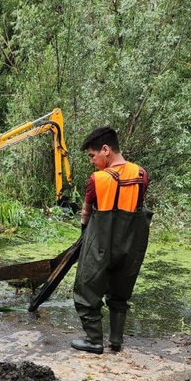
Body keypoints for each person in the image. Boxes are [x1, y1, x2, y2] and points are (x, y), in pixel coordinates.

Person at [71, 126, 151, 355]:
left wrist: (84, 235)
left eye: (92, 155)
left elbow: (86, 212)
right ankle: (116, 339)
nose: (91, 161)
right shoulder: (141, 174)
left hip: (101, 241)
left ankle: (94, 340)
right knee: (121, 288)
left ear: (105, 150)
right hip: (131, 243)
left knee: (87, 286)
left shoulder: (97, 180)